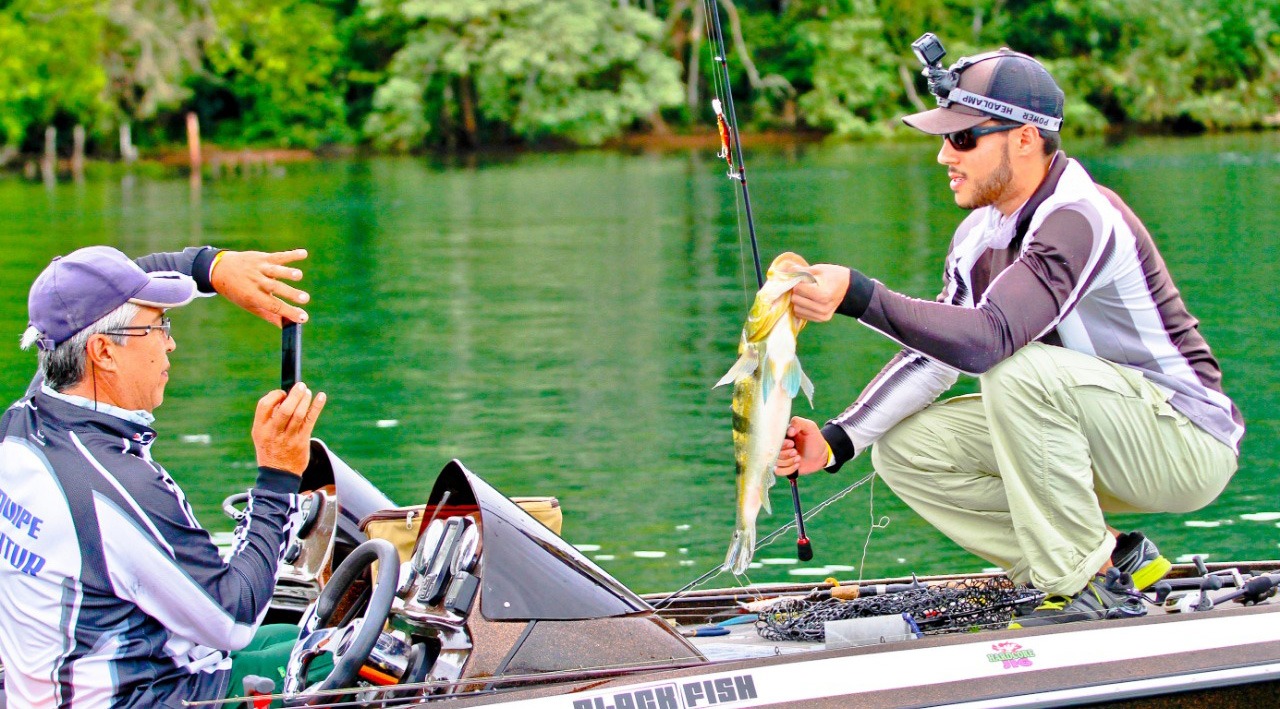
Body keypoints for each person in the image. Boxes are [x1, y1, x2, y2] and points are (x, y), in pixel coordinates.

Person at [776, 39, 1243, 627]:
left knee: (1013, 365)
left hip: (1183, 443)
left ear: (1025, 137)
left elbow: (988, 340)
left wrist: (861, 297)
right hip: (1092, 439)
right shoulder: (978, 234)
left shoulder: (1079, 215)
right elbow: (936, 359)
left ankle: (1081, 589)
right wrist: (839, 440)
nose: (944, 155)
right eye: (945, 138)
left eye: (963, 138)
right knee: (905, 449)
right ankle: (1106, 561)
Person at [0, 245, 326, 705]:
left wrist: (212, 268)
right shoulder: (117, 487)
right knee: (332, 661)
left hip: (56, 683)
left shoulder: (27, 420)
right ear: (103, 352)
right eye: (158, 327)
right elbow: (232, 618)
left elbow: (103, 290)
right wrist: (277, 477)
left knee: (282, 635)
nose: (170, 342)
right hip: (132, 696)